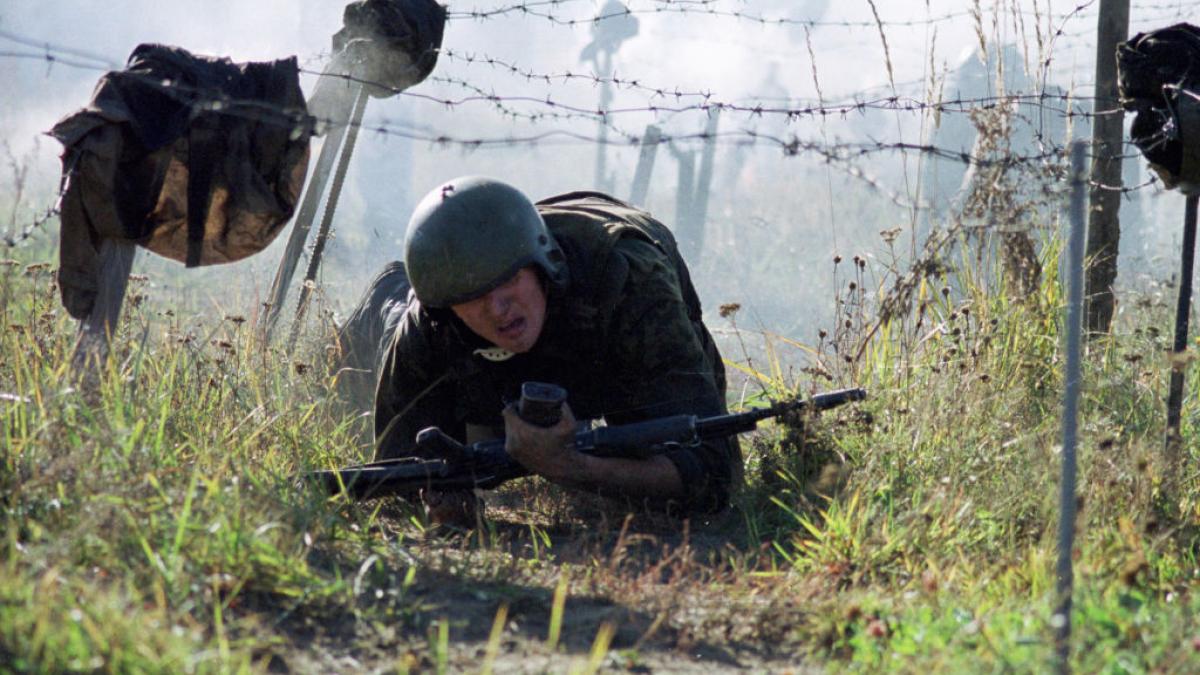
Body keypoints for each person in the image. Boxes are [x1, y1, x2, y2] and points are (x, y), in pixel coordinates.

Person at [356, 176, 741, 523]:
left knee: (660, 498)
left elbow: (711, 475)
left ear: (541, 264)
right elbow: (394, 479)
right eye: (472, 296)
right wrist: (441, 496)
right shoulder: (430, 320)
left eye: (508, 280)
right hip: (487, 367)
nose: (497, 308)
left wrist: (571, 467)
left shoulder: (628, 280)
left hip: (610, 345)